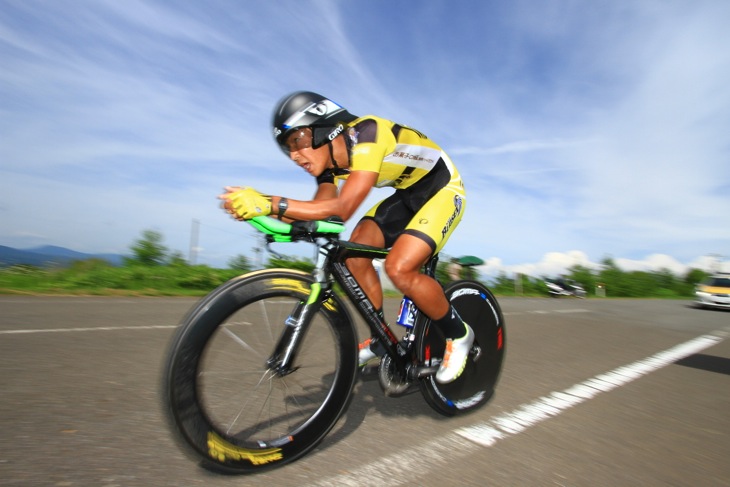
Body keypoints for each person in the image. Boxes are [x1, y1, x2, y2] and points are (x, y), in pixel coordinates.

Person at [219, 91, 472, 384]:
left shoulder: (367, 133)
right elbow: (324, 217)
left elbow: (344, 207)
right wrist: (259, 212)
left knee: (399, 268)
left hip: (442, 189)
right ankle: (381, 337)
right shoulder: (329, 166)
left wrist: (270, 202)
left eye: (297, 141)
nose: (294, 155)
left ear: (327, 128)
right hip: (406, 194)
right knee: (354, 257)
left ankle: (459, 334)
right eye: (287, 148)